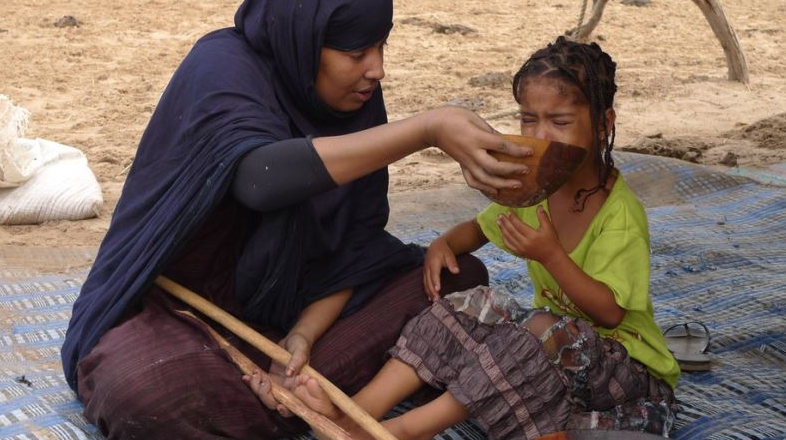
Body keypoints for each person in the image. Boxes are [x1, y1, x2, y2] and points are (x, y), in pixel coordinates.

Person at [61, 1, 534, 438]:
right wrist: (424, 130)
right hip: (176, 313)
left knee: (455, 278)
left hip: (292, 310)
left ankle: (298, 401)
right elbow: (259, 179)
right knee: (149, 391)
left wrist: (301, 337)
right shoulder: (221, 64)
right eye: (357, 52)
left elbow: (353, 249)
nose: (377, 69)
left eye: (381, 47)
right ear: (303, 40)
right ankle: (299, 400)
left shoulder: (358, 97)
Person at [261, 36, 681, 440]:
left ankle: (407, 430)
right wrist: (445, 244)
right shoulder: (539, 186)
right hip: (555, 353)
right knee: (465, 305)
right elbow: (479, 229)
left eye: (561, 122)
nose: (539, 137)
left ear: (604, 124)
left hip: (627, 375)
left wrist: (551, 256)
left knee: (523, 337)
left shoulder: (620, 214)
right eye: (528, 119)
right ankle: (357, 414)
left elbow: (608, 314)